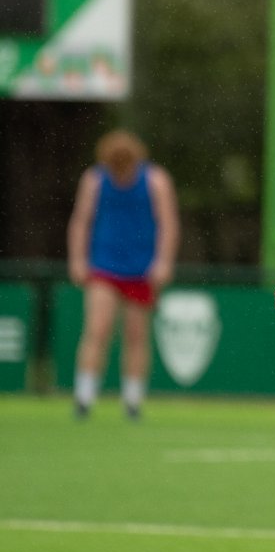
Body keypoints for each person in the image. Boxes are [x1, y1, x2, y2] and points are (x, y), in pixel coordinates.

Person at [67, 129, 180, 419]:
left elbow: (168, 223)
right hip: (104, 265)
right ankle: (85, 395)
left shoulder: (155, 180)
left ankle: (132, 399)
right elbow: (81, 220)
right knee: (98, 328)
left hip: (141, 268)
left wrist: (163, 262)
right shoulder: (95, 180)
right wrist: (78, 259)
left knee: (136, 334)